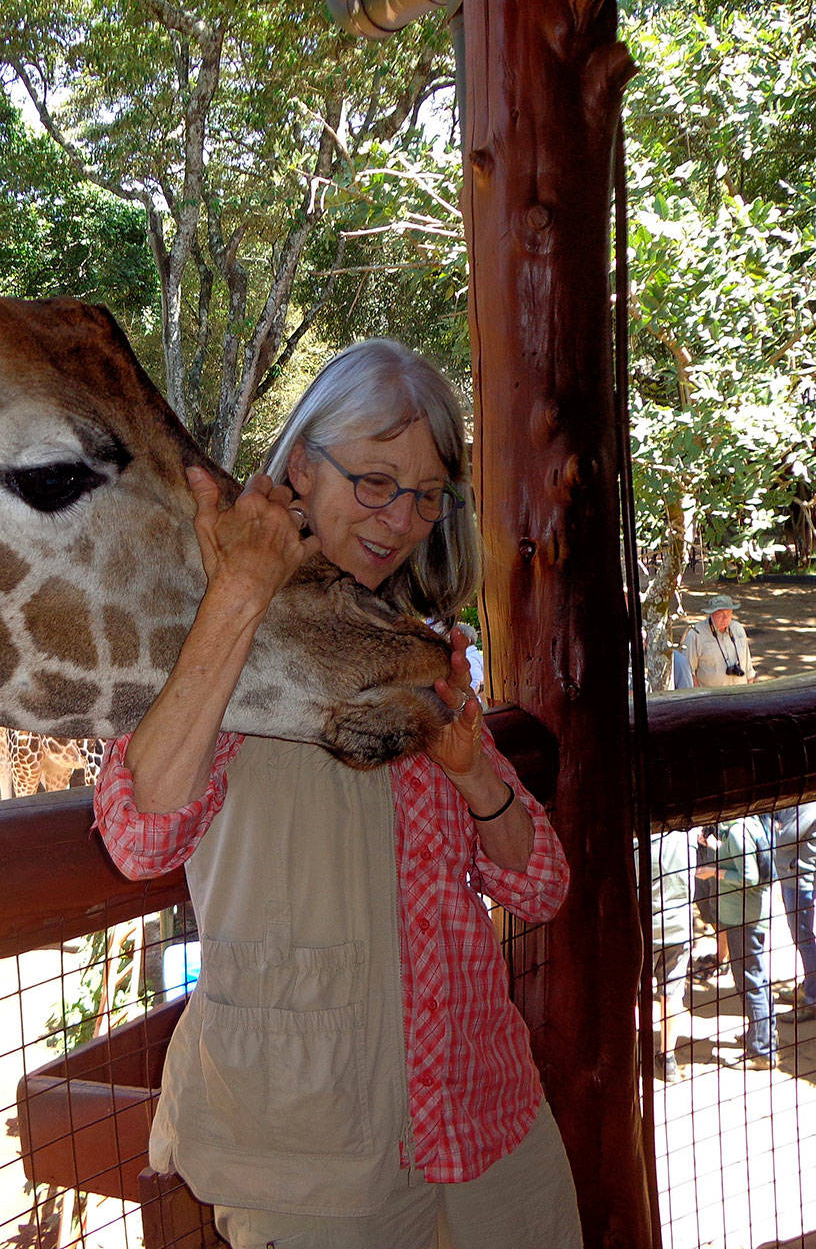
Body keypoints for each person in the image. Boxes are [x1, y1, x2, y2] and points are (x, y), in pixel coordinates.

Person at [93, 339, 581, 1248]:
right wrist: (241, 589)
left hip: (489, 1117)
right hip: (306, 1154)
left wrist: (472, 769)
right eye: (375, 482)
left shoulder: (417, 646)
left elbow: (541, 887)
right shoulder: (208, 627)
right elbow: (142, 839)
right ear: (303, 465)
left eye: (427, 493)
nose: (402, 518)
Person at [703, 813, 777, 1067]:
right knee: (758, 978)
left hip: (742, 919)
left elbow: (750, 877)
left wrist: (715, 871)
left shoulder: (737, 832)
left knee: (750, 981)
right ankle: (763, 1035)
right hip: (748, 915)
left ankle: (762, 1051)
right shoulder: (748, 824)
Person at [637, 829, 698, 1082]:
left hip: (645, 930)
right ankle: (668, 1058)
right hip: (680, 928)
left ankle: (634, 1056)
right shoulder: (688, 836)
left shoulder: (639, 840)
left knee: (635, 995)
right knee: (672, 995)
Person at [769, 802, 816, 1024]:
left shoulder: (809, 804)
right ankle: (807, 986)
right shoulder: (796, 800)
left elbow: (784, 837)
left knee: (804, 939)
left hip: (800, 882)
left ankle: (812, 999)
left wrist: (774, 827)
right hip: (792, 877)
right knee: (801, 939)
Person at [680, 594, 756, 687]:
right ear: (711, 614)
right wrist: (700, 696)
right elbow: (688, 671)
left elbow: (748, 667)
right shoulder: (696, 634)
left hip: (739, 694)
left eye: (728, 613)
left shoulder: (738, 629)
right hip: (711, 696)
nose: (725, 618)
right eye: (720, 614)